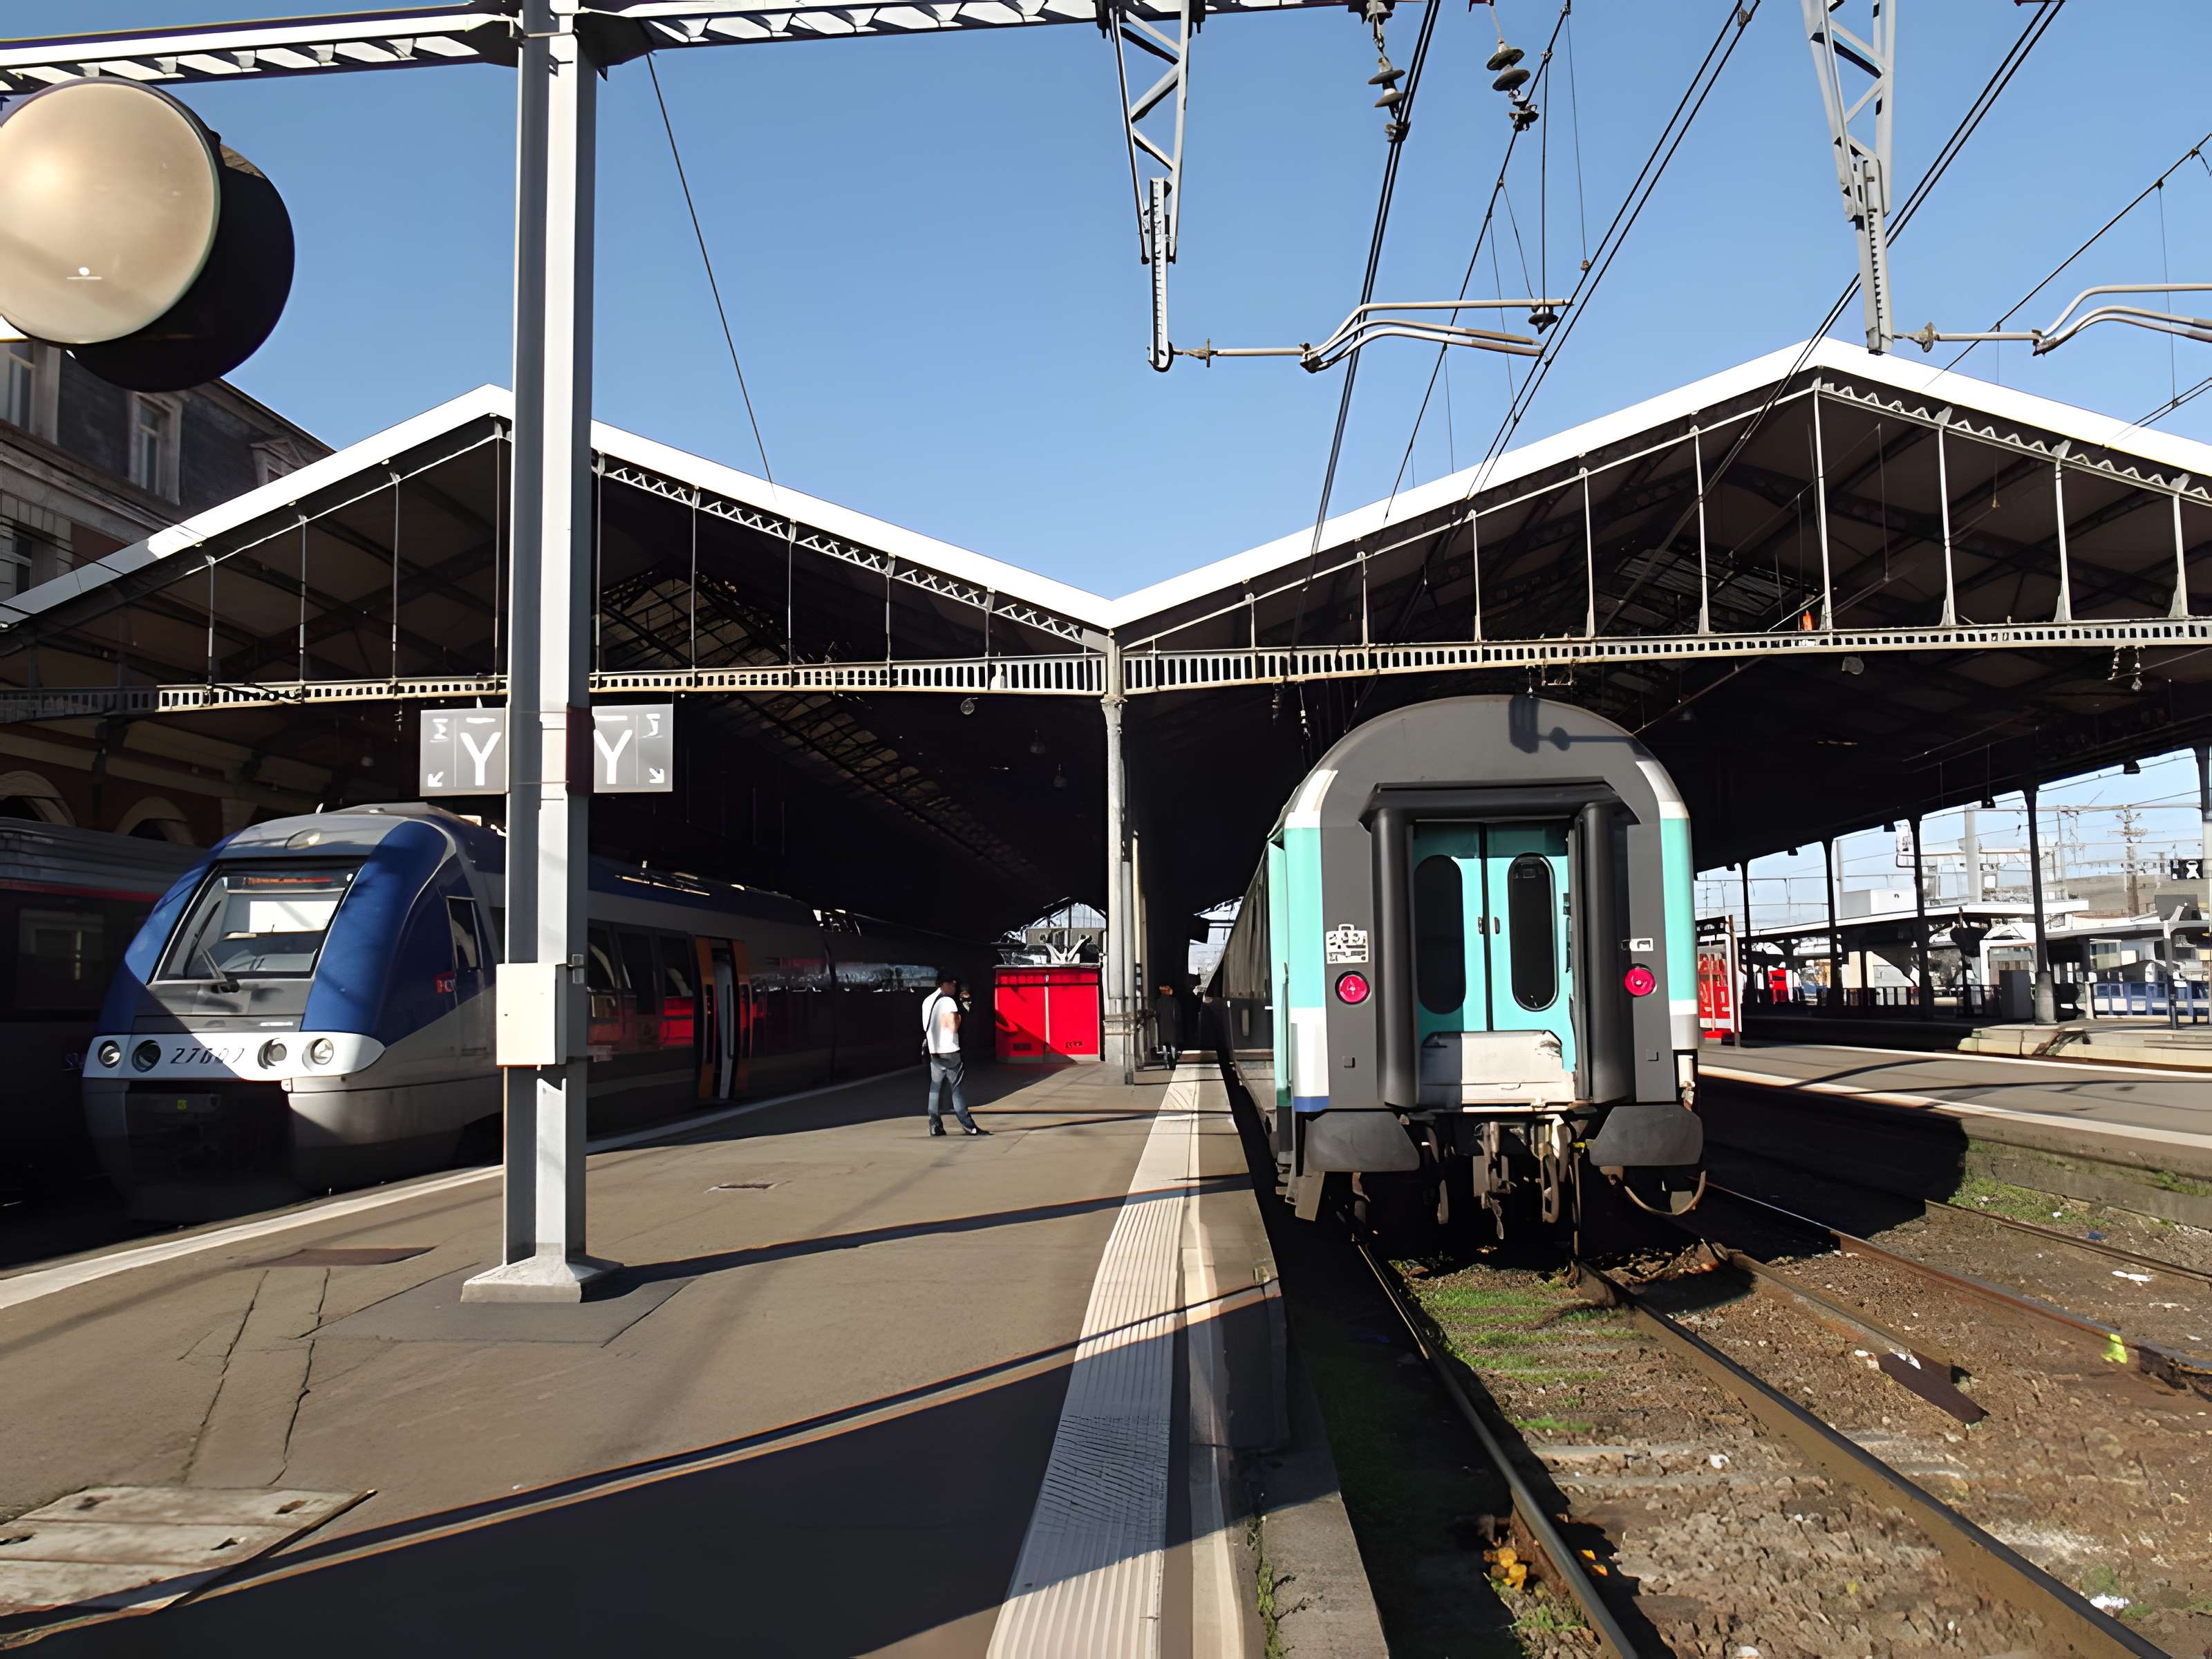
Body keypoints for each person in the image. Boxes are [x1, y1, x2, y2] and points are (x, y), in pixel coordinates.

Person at [921, 973, 984, 1136]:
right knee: (956, 1089)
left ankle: (935, 1125)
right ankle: (968, 1125)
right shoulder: (948, 1002)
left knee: (935, 1088)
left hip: (935, 1052)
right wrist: (960, 1017)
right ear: (946, 985)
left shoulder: (927, 1001)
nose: (955, 989)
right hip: (950, 1051)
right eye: (953, 986)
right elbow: (952, 1026)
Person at [1154, 981, 1183, 1067]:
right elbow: (1178, 1014)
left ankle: (1166, 1060)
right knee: (1173, 1043)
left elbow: (1157, 1014)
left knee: (1164, 1043)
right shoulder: (1174, 1001)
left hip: (1163, 1025)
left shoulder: (1159, 1002)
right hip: (1173, 1025)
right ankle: (1173, 1059)